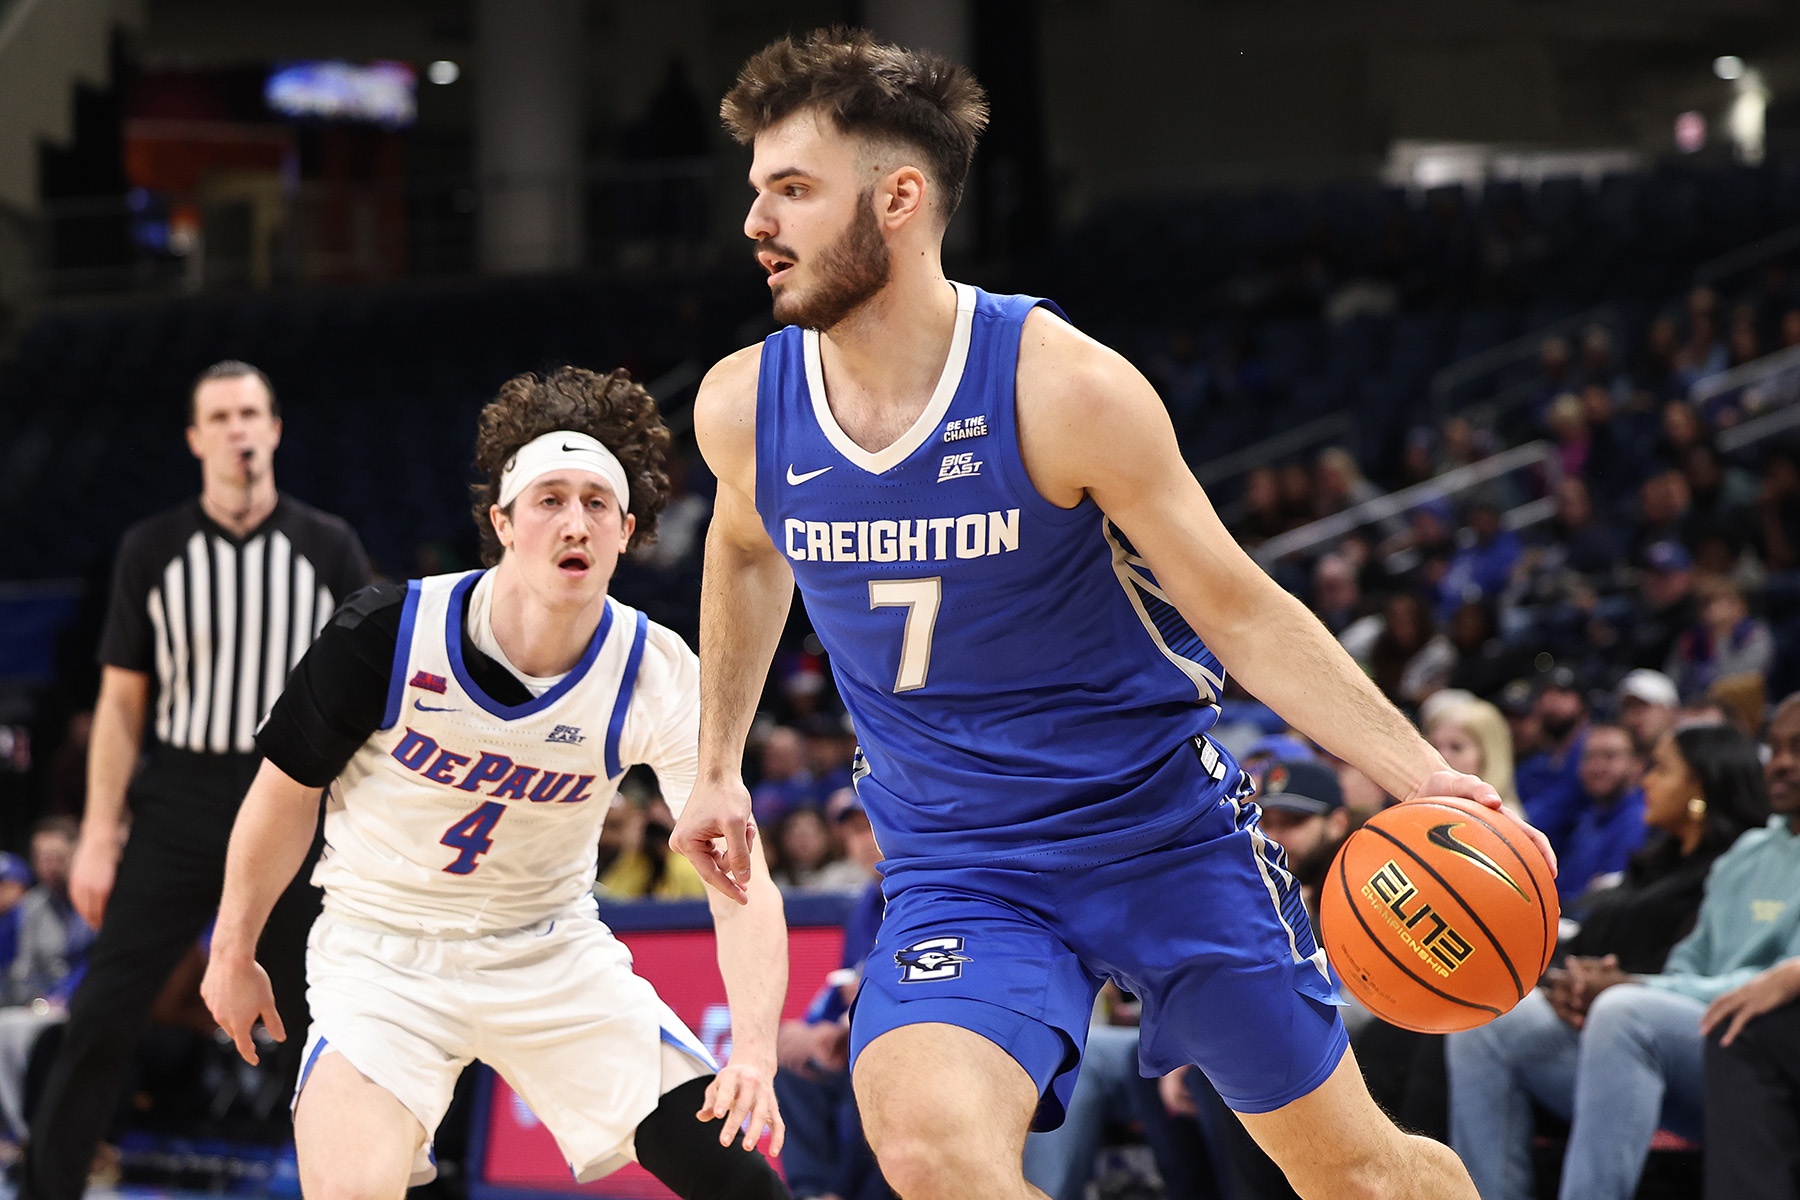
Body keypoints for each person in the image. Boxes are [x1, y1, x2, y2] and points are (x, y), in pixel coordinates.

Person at [674, 28, 1554, 1200]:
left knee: (1365, 1178)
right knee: (930, 1150)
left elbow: (1241, 609)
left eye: (791, 190)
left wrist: (1415, 775)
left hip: (1162, 836)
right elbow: (742, 552)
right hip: (960, 862)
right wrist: (717, 762)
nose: (757, 222)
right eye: (757, 190)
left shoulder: (1064, 389)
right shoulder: (744, 406)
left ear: (898, 198)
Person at [198, 367, 790, 1200]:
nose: (573, 521)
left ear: (627, 531)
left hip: (547, 950)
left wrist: (756, 1053)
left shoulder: (656, 671)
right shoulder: (386, 632)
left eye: (595, 503)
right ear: (503, 523)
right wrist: (234, 946)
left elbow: (741, 878)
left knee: (744, 1184)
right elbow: (285, 792)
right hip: (381, 954)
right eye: (549, 499)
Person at [22, 361, 372, 1200]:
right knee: (105, 1009)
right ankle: (49, 1187)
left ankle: (366, 1183)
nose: (237, 430)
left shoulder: (328, 544)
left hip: (290, 790)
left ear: (275, 428)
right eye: (219, 417)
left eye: (250, 412)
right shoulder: (151, 549)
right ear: (195, 437)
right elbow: (119, 704)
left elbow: (371, 691)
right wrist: (100, 831)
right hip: (178, 796)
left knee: (324, 1016)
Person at [1448, 711, 1793, 1200]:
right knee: (1490, 1018)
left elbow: (1779, 984)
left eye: (1796, 750)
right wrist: (1585, 984)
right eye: (1775, 748)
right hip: (1684, 1040)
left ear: (1701, 785)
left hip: (1759, 1052)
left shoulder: (1720, 854)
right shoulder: (1748, 853)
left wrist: (1636, 987)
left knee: (1624, 1012)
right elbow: (1687, 965)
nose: (1780, 764)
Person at [1557, 724, 1648, 904]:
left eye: (1610, 756)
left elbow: (1609, 899)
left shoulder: (1641, 819)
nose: (1596, 766)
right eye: (1588, 757)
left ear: (1637, 764)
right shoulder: (1587, 818)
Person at [1425, 698, 1522, 817]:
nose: (1442, 755)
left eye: (1456, 747)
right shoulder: (1418, 806)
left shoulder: (1505, 818)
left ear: (1488, 754)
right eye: (1434, 746)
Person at [1616, 669, 1679, 760]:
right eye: (1627, 707)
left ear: (1671, 711)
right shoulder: (1615, 768)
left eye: (1644, 706)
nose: (1634, 714)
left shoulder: (1691, 761)